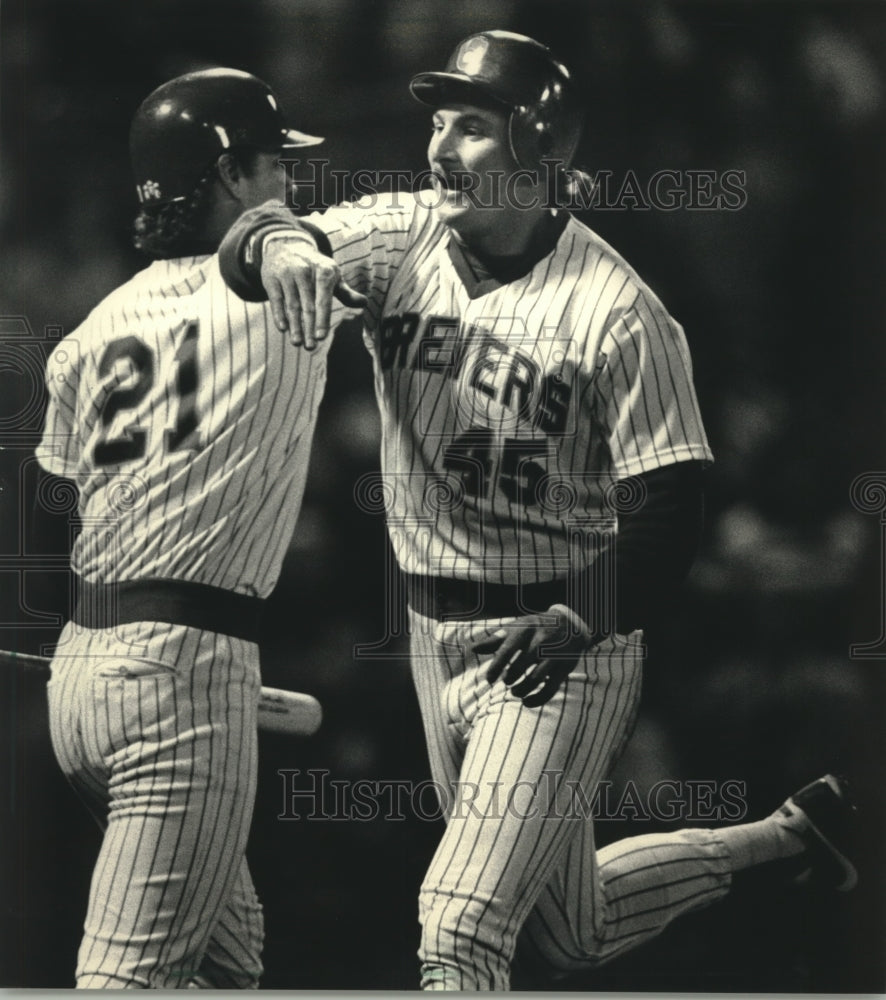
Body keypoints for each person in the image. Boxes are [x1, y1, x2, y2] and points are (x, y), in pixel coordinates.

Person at [218, 31, 857, 991]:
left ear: (539, 146)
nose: (439, 148)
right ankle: (792, 838)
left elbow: (671, 512)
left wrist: (581, 616)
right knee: (568, 931)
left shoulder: (620, 310)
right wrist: (276, 249)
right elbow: (264, 241)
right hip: (430, 631)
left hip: (559, 643)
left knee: (461, 924)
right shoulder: (405, 232)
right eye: (438, 122)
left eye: (471, 127)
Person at [35, 67, 362, 989]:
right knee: (128, 981)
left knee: (226, 962)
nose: (288, 184)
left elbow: (58, 497)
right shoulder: (282, 287)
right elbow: (306, 243)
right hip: (182, 676)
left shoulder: (92, 328)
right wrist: (280, 240)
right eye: (273, 166)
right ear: (228, 173)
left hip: (79, 676)